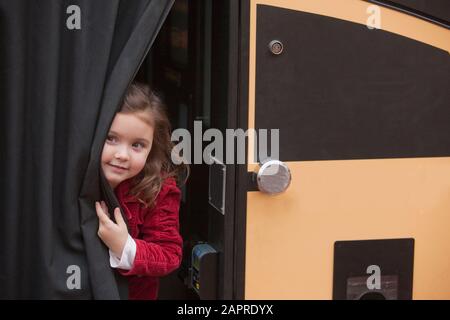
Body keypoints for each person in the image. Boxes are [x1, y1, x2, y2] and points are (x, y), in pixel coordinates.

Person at [95, 82, 188, 299]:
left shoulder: (159, 190)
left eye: (137, 145)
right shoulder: (72, 179)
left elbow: (169, 254)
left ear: (151, 149)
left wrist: (124, 247)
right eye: (111, 139)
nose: (123, 155)